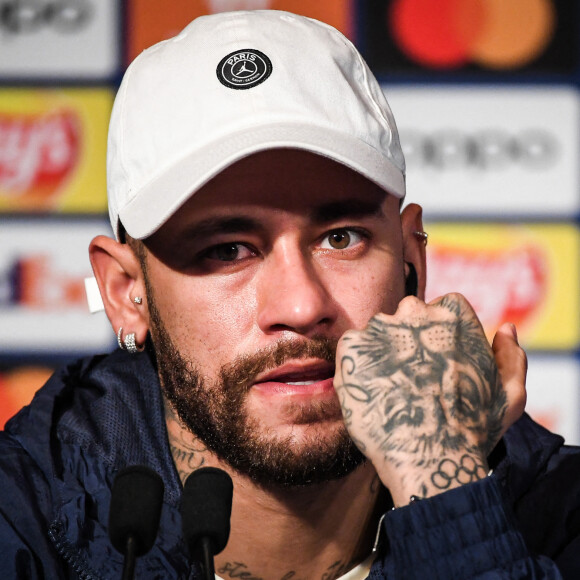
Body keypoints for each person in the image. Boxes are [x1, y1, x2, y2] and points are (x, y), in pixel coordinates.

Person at [1, 9, 578, 579]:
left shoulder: (558, 513)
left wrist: (444, 489)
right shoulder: (18, 523)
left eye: (340, 238)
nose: (301, 307)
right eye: (228, 250)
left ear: (410, 259)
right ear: (128, 292)